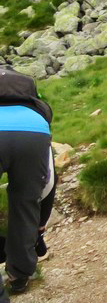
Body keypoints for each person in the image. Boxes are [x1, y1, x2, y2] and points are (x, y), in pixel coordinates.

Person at [0, 65, 53, 297]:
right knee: (24, 201)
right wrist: (40, 222)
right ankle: (19, 276)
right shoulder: (34, 107)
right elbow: (49, 180)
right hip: (34, 133)